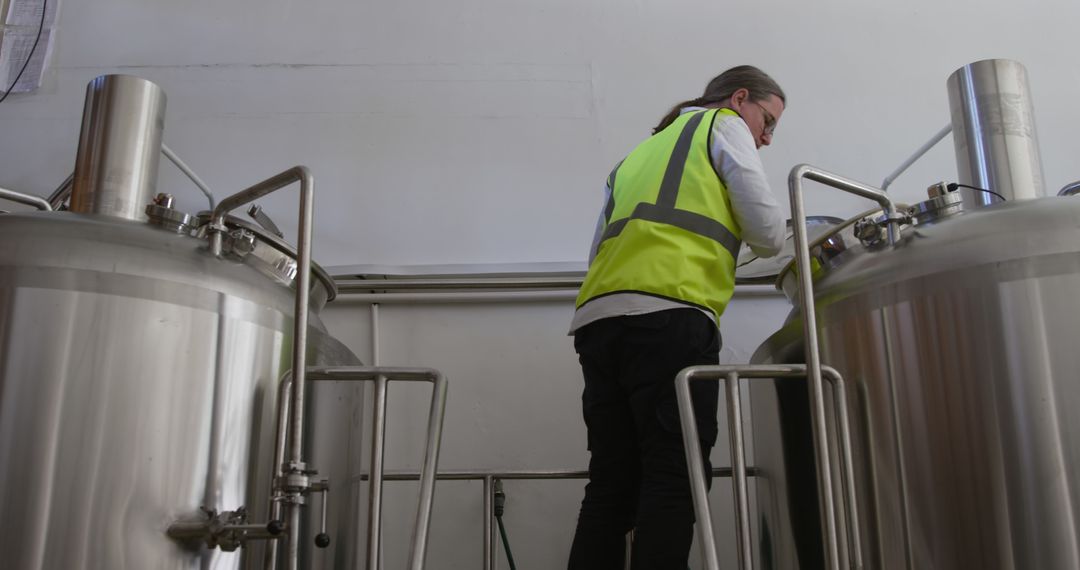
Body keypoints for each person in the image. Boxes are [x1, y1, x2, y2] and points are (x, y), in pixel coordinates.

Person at [567, 65, 787, 570]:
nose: (767, 137)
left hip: (599, 321)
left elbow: (598, 246)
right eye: (767, 121)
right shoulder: (723, 126)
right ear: (739, 99)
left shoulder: (634, 156)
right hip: (671, 314)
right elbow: (768, 232)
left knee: (611, 485)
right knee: (674, 474)